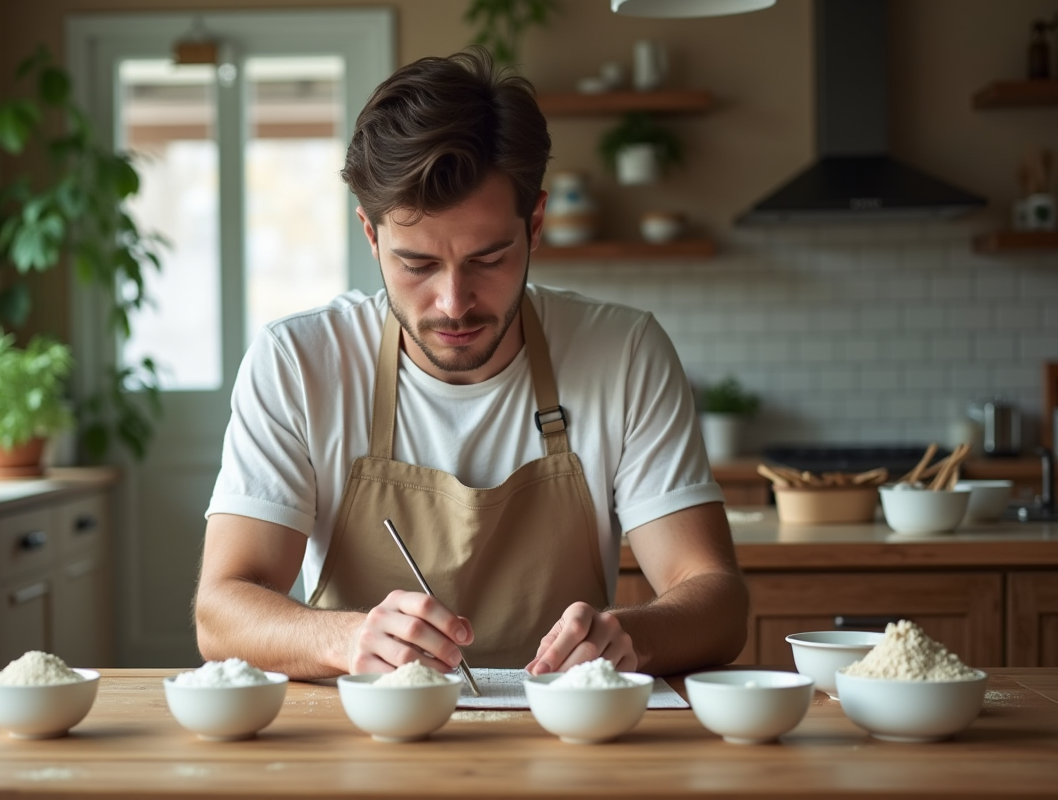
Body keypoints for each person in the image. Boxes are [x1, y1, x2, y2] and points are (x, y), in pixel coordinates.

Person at [194, 47, 748, 680]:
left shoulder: (623, 353)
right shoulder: (299, 363)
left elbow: (717, 599)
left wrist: (631, 636)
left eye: (488, 259)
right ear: (371, 236)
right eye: (418, 264)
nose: (453, 303)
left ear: (535, 223)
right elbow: (221, 610)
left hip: (566, 741)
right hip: (368, 745)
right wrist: (347, 639)